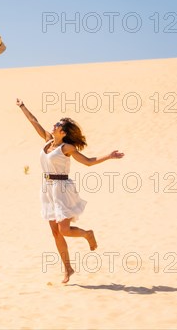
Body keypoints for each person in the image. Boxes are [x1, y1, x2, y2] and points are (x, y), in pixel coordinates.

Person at [16, 98, 124, 283]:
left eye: (57, 125)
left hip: (62, 189)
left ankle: (87, 234)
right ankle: (68, 269)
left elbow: (88, 162)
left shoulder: (67, 148)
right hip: (47, 190)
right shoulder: (47, 141)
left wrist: (109, 156)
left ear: (63, 132)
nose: (53, 125)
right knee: (55, 233)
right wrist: (22, 106)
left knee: (64, 230)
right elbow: (34, 121)